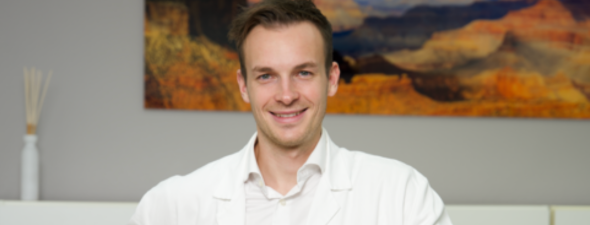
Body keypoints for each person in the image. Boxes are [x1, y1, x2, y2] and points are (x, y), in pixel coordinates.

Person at [130, 0, 452, 224]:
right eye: (266, 75)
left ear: (333, 79)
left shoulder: (401, 195)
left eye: (304, 73)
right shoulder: (170, 207)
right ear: (244, 86)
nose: (286, 95)